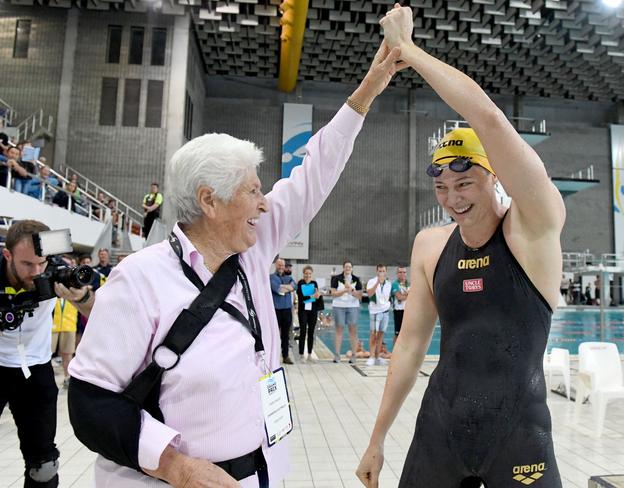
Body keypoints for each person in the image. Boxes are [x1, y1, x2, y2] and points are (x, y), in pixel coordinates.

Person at [67, 43, 403, 488]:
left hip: (257, 475)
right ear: (209, 200)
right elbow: (90, 405)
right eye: (252, 192)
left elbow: (314, 174)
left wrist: (368, 91)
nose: (265, 205)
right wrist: (177, 467)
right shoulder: (139, 279)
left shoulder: (252, 249)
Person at [357, 6, 566, 488]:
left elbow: (488, 119)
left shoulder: (532, 227)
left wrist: (409, 52)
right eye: (442, 190)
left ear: (493, 175)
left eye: (465, 183)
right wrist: (377, 437)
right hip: (439, 435)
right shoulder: (430, 246)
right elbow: (410, 345)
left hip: (520, 439)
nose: (453, 199)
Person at [0, 220, 94, 488]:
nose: (36, 272)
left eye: (41, 263)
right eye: (28, 265)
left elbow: (98, 313)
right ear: (8, 255)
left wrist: (82, 296)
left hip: (36, 371)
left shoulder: (53, 274)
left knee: (43, 466)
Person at [51, 256, 79, 388]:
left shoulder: (76, 284)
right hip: (52, 325)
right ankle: (48, 379)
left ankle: (68, 377)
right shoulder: (51, 284)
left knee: (67, 353)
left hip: (69, 324)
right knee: (47, 354)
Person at [330, 260, 364, 363]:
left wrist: (351, 290)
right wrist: (344, 290)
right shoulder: (336, 278)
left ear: (352, 268)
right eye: (346, 266)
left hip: (352, 307)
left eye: (349, 267)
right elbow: (333, 294)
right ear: (343, 268)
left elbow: (360, 296)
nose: (348, 268)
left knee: (353, 331)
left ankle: (353, 356)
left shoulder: (356, 280)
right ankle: (337, 355)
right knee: (339, 330)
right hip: (339, 306)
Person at [270, 257, 297, 365]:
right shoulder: (271, 277)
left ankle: (285, 356)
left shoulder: (289, 277)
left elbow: (294, 287)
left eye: (282, 265)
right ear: (276, 266)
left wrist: (285, 287)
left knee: (285, 335)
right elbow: (278, 290)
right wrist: (287, 288)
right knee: (274, 335)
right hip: (276, 310)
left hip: (287, 310)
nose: (281, 267)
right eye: (279, 265)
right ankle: (273, 357)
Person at [366, 264, 392, 366]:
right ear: (377, 272)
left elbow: (386, 298)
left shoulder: (388, 284)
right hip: (375, 311)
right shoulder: (371, 281)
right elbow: (369, 294)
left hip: (385, 311)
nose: (381, 273)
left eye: (383, 271)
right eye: (379, 271)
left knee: (381, 334)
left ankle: (377, 356)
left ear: (386, 272)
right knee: (374, 334)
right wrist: (377, 282)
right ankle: (371, 356)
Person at [296, 265, 320, 361]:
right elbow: (301, 298)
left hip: (313, 310)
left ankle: (310, 354)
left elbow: (316, 297)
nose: (308, 275)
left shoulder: (314, 283)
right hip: (303, 311)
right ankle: (301, 354)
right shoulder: (300, 283)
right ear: (303, 274)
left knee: (311, 332)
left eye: (309, 273)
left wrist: (316, 296)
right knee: (303, 332)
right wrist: (312, 296)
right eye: (306, 273)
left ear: (311, 274)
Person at [391, 266, 409, 345]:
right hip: (398, 311)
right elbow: (399, 297)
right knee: (397, 333)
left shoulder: (409, 284)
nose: (402, 274)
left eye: (404, 272)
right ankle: (394, 353)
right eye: (400, 272)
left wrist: (405, 295)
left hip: (408, 311)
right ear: (397, 274)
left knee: (407, 333)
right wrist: (409, 295)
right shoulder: (395, 284)